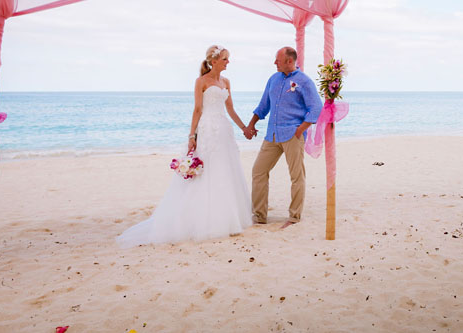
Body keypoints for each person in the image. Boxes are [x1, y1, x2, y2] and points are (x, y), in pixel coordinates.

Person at [117, 45, 252, 247]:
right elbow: (197, 109)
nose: (228, 62)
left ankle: (227, 217)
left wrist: (244, 128)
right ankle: (203, 220)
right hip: (207, 129)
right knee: (207, 172)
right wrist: (192, 135)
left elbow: (230, 108)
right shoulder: (201, 81)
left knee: (225, 170)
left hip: (223, 129)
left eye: (227, 59)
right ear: (214, 61)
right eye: (225, 59)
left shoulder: (226, 82)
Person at [244, 46, 322, 227]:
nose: (274, 63)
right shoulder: (273, 79)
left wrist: (301, 128)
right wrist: (251, 124)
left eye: (277, 60)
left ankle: (294, 216)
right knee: (258, 171)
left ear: (289, 61)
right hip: (271, 135)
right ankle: (259, 215)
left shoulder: (304, 81)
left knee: (296, 176)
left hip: (292, 135)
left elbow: (316, 107)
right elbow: (264, 105)